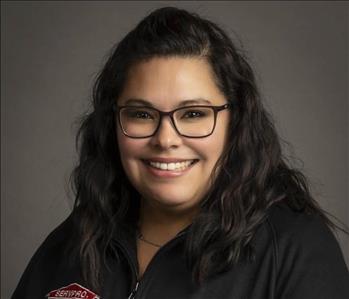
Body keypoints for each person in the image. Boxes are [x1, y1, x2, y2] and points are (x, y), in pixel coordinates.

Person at [12, 6, 349, 299]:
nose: (166, 139)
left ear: (236, 122)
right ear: (113, 122)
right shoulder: (73, 242)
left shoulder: (294, 251)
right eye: (142, 114)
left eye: (193, 114)